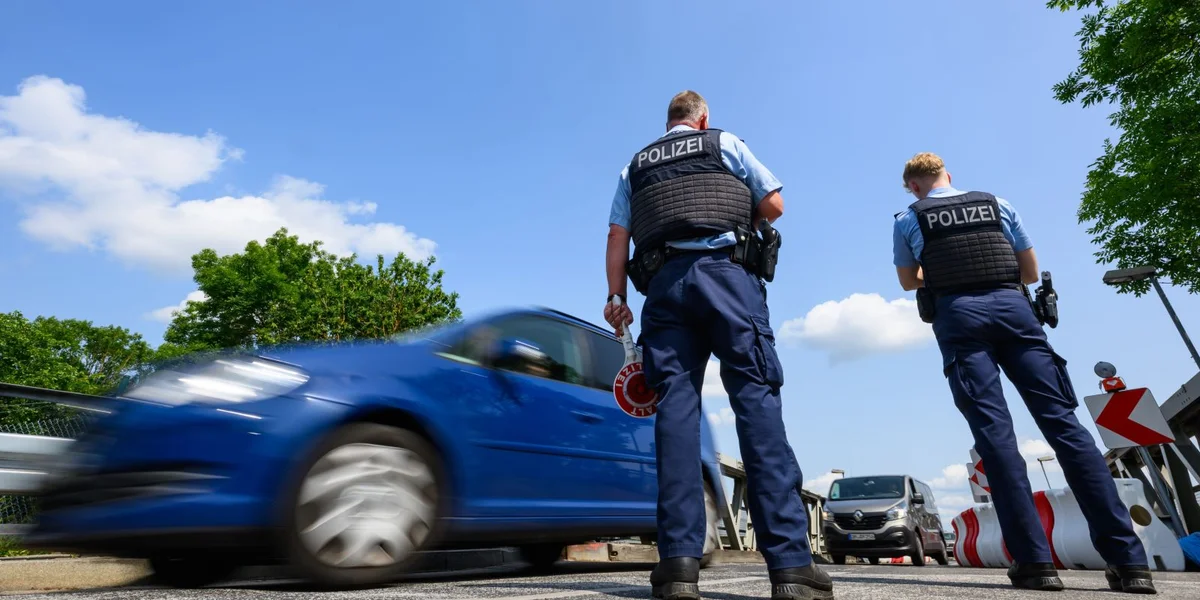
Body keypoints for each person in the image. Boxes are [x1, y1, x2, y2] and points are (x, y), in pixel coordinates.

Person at [892, 152, 1157, 595]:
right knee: (1066, 429)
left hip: (959, 316)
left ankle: (1035, 565)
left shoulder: (908, 218)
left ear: (915, 186)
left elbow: (908, 280)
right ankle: (1130, 564)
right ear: (948, 175)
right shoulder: (999, 203)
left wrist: (941, 271)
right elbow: (1030, 271)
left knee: (995, 439)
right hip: (1016, 312)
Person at [603, 90, 832, 600]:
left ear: (667, 123)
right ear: (702, 119)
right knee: (756, 402)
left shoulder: (634, 166)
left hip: (664, 290)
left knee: (676, 416)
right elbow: (774, 203)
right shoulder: (723, 142)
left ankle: (679, 567)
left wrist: (616, 295)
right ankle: (792, 567)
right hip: (728, 280)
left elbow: (618, 235)